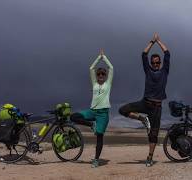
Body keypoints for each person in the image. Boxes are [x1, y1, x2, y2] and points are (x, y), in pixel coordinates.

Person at [119, 33, 170, 167]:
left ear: (160, 63)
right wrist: (152, 42)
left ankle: (150, 157)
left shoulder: (165, 71)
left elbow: (167, 53)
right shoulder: (148, 71)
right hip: (145, 103)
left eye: (157, 62)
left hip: (157, 108)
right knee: (122, 110)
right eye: (153, 62)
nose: (155, 64)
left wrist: (159, 41)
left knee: (153, 135)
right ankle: (142, 119)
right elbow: (143, 55)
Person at [70, 49, 113, 168]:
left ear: (105, 76)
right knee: (73, 117)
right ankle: (91, 125)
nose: (100, 76)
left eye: (102, 74)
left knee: (99, 136)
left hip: (103, 114)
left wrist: (104, 58)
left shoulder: (107, 84)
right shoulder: (94, 83)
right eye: (98, 74)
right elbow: (91, 69)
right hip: (92, 111)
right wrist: (98, 57)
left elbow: (112, 68)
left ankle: (96, 159)